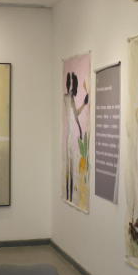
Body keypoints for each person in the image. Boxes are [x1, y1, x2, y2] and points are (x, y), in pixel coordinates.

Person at [63, 72, 89, 202]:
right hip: (70, 137)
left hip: (70, 136)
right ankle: (69, 194)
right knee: (70, 165)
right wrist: (84, 104)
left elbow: (74, 114)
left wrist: (84, 104)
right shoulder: (68, 98)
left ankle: (69, 195)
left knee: (70, 165)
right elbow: (75, 115)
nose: (73, 87)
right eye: (72, 84)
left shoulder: (67, 97)